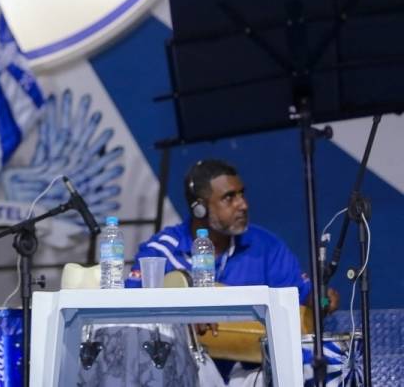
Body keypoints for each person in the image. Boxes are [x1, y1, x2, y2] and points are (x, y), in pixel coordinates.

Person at [126, 159, 338, 384]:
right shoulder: (163, 250)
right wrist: (182, 319)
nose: (243, 204)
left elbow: (306, 299)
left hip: (248, 370)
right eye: (229, 197)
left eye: (242, 194)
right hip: (184, 369)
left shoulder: (265, 245)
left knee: (327, 364)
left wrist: (323, 302)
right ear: (200, 208)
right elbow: (130, 315)